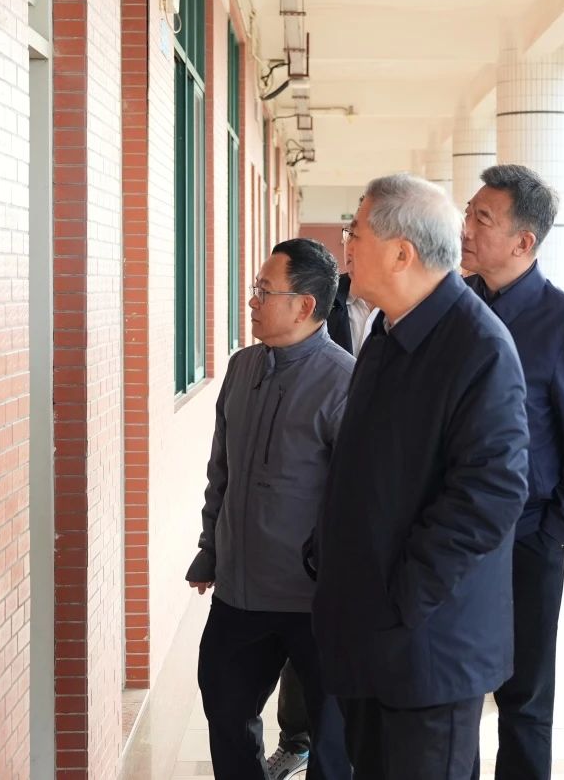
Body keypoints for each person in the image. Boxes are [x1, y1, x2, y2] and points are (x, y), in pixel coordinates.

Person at [311, 173, 529, 780]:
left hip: (429, 642)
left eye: (356, 232)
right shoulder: (388, 331)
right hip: (372, 630)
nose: (346, 245)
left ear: (401, 253)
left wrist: (406, 594)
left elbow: (491, 493)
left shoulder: (478, 346)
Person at [459, 164, 564, 779]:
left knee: (523, 697)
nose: (466, 229)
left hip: (526, 541)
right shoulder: (454, 307)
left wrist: (550, 538)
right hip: (450, 538)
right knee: (453, 689)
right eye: (468, 214)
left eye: (482, 219)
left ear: (524, 241)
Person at [186, 238, 353, 780]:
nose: (252, 301)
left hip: (315, 602)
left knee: (334, 741)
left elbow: (356, 500)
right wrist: (210, 549)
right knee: (225, 708)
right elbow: (222, 472)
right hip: (240, 593)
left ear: (304, 305)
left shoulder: (345, 382)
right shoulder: (242, 368)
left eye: (264, 291)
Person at [265, 267, 377, 780]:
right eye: (350, 232)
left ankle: (339, 753)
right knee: (303, 644)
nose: (352, 243)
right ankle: (296, 740)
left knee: (339, 660)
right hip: (306, 521)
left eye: (361, 233)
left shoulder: (418, 315)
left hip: (365, 514)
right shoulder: (330, 303)